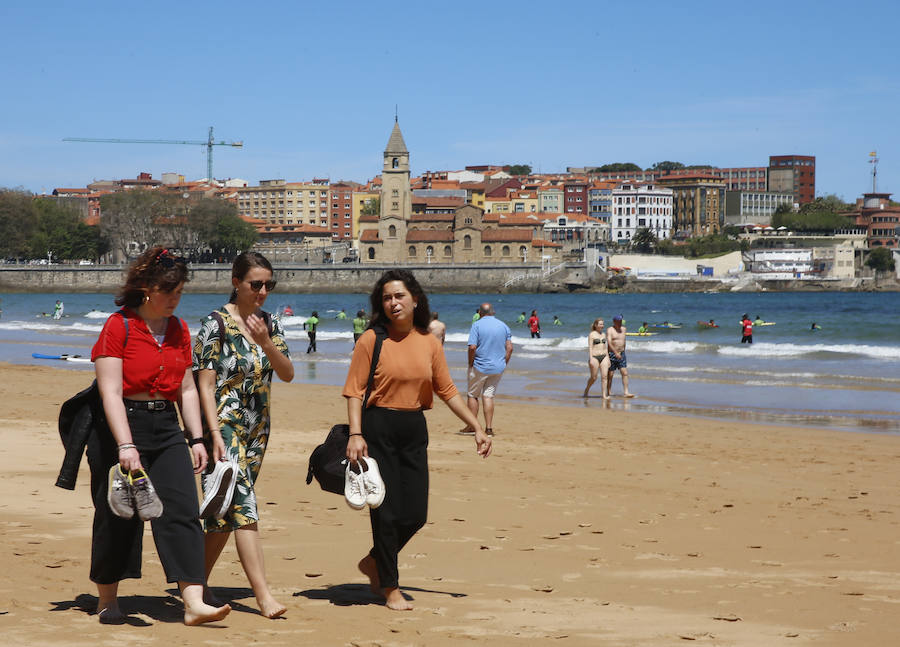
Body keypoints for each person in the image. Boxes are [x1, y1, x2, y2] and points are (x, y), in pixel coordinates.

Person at [90, 246, 231, 625]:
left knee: (183, 512)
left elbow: (186, 390)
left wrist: (196, 438)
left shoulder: (179, 329)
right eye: (169, 292)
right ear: (147, 288)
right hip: (122, 426)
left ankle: (193, 602)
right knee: (117, 516)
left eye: (180, 292)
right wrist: (125, 445)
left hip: (167, 427)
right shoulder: (117, 326)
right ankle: (107, 600)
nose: (174, 300)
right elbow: (110, 393)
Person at [343, 269, 491, 611]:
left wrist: (477, 427)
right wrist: (355, 434)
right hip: (377, 426)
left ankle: (374, 562)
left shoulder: (428, 341)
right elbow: (354, 391)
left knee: (416, 513)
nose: (393, 303)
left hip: (413, 428)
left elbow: (447, 391)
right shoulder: (371, 339)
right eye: (387, 298)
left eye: (399, 296)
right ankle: (390, 586)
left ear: (415, 300)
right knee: (386, 512)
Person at [194, 252, 294, 619]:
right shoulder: (214, 324)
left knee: (225, 510)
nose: (263, 291)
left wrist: (266, 341)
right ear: (236, 282)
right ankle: (264, 595)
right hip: (223, 426)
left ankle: (192, 581)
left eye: (269, 284)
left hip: (257, 428)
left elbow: (287, 373)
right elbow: (203, 385)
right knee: (244, 506)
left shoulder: (269, 323)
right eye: (256, 284)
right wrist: (213, 433)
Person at [461, 303, 512, 437]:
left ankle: (472, 426)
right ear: (493, 312)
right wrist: (504, 362)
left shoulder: (476, 325)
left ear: (480, 313)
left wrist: (470, 363)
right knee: (488, 396)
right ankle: (488, 429)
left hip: (480, 366)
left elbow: (472, 347)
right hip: (497, 367)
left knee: (473, 395)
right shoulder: (503, 325)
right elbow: (510, 348)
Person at [606, 315, 635, 398]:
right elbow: (609, 342)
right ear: (614, 321)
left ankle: (626, 392)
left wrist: (623, 352)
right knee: (610, 374)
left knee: (625, 373)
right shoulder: (610, 330)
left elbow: (623, 341)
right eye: (618, 321)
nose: (620, 322)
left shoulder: (624, 329)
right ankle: (608, 391)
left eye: (621, 321)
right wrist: (615, 353)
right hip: (612, 354)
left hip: (621, 354)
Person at [583, 318, 610, 399]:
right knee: (594, 377)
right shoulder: (592, 334)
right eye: (600, 324)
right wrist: (591, 358)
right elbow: (590, 347)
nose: (602, 326)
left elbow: (606, 348)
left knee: (604, 377)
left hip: (604, 356)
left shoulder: (604, 334)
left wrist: (608, 358)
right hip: (594, 357)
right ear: (596, 325)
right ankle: (586, 390)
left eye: (603, 324)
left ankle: (604, 395)